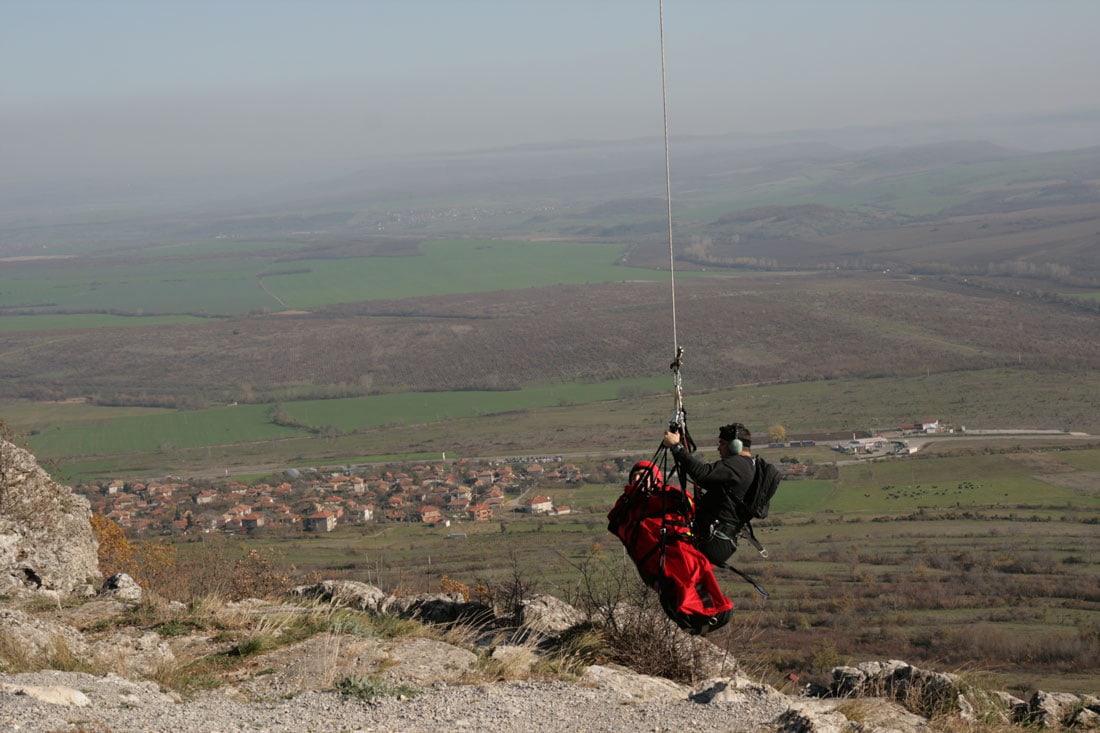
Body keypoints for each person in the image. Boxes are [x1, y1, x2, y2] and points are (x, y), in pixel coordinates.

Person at [662, 422, 755, 566]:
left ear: (735, 445)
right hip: (721, 540)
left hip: (713, 540)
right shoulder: (748, 466)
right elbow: (705, 480)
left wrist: (677, 447)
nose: (719, 448)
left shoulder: (738, 465)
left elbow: (701, 473)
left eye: (722, 443)